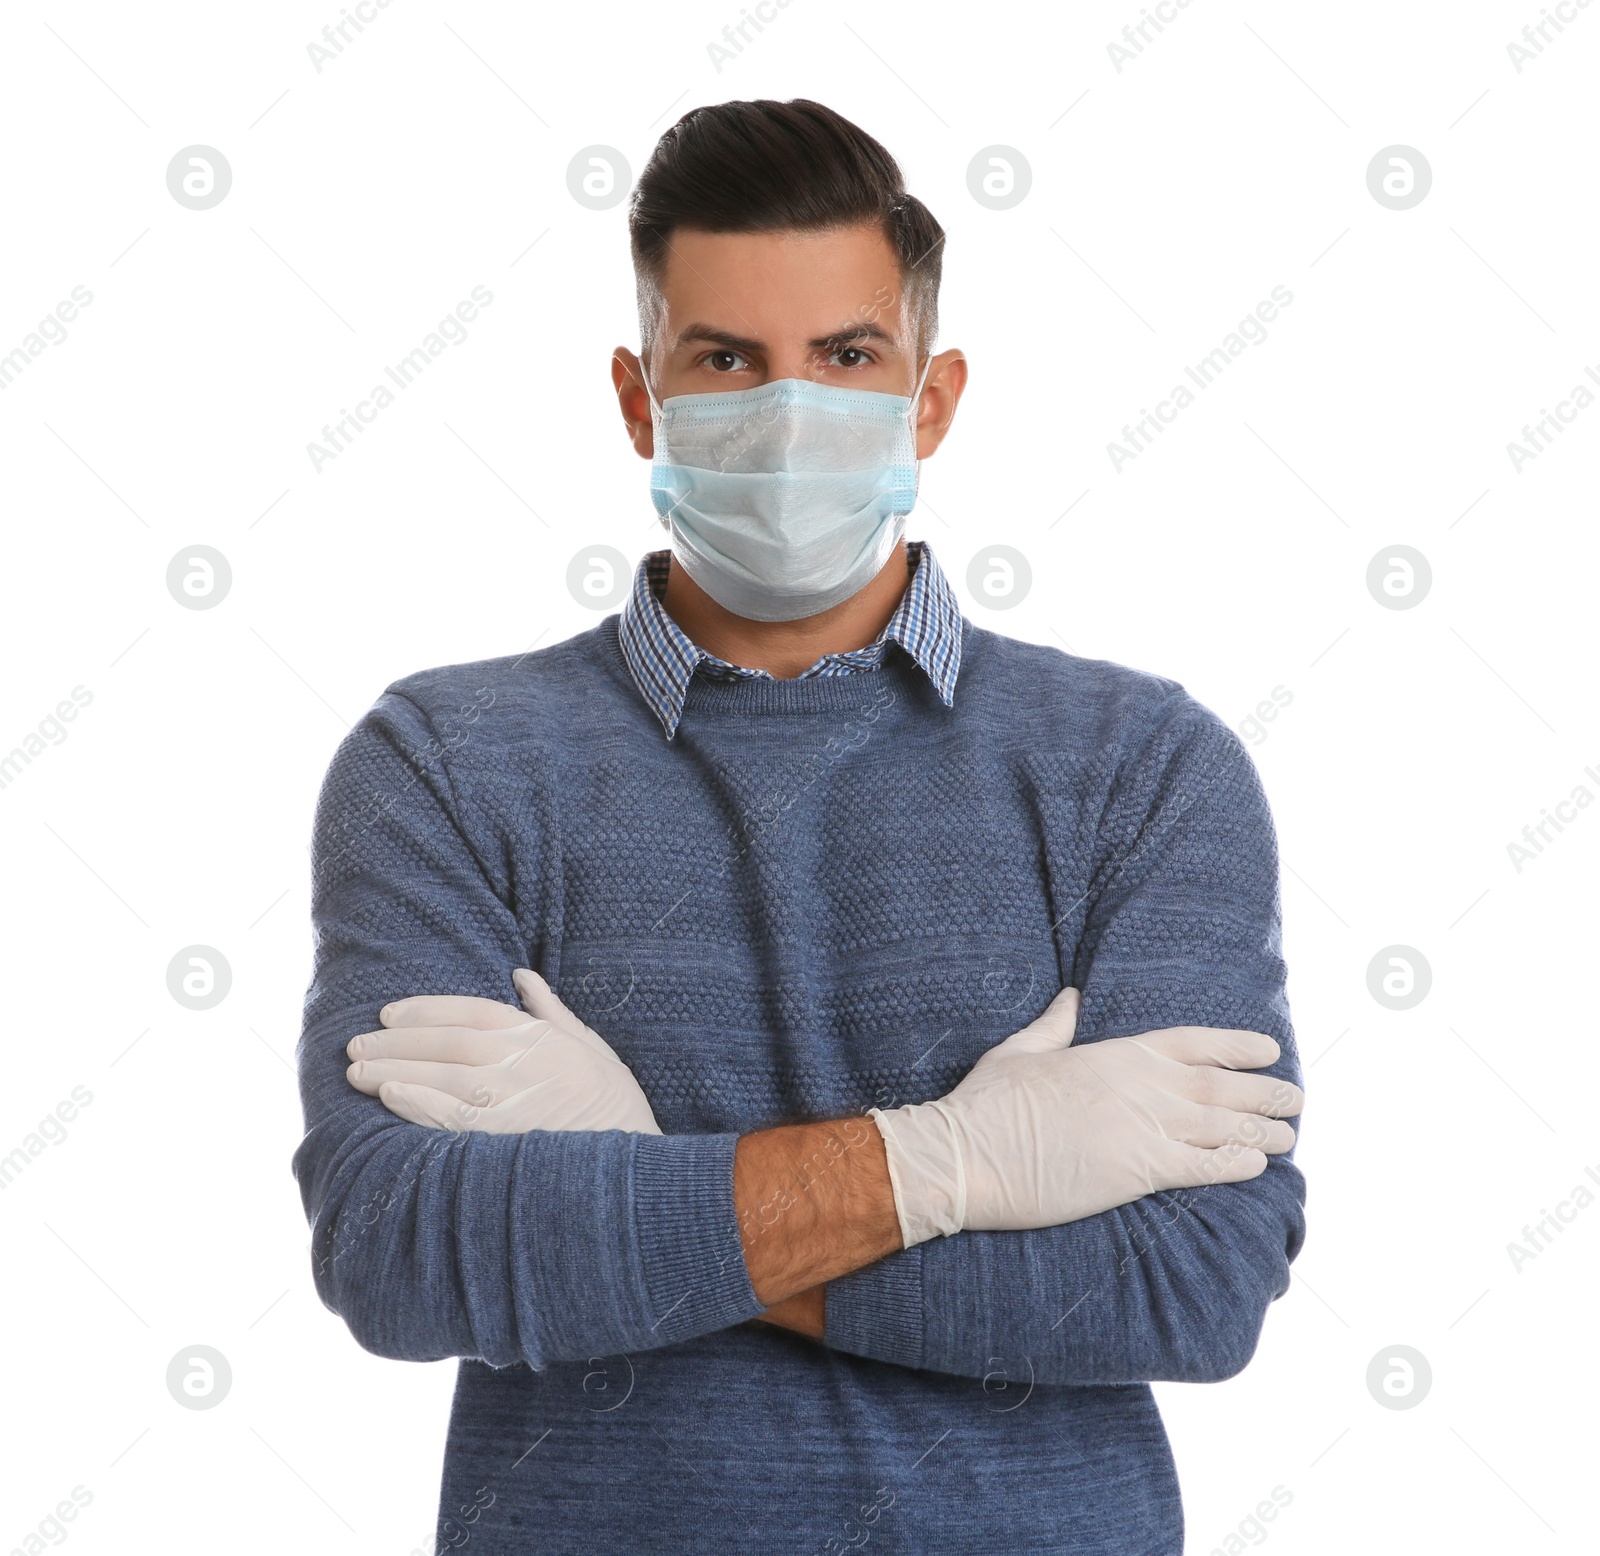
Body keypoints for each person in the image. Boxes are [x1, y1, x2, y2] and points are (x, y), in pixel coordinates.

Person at [293, 97, 1307, 1555]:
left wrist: (639, 1182)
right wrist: (953, 1165)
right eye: (724, 360)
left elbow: (1193, 1285)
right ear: (642, 400)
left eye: (846, 357)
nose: (787, 411)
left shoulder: (1140, 770)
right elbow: (402, 1254)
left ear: (932, 398)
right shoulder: (448, 763)